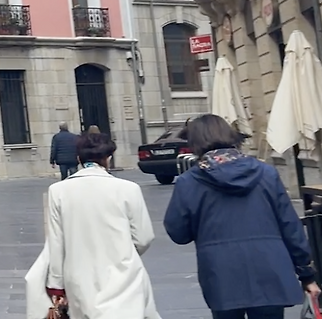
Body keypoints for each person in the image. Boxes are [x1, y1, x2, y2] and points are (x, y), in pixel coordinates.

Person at [163, 114, 320, 319]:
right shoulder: (266, 173)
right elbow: (290, 226)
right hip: (269, 268)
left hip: (221, 274)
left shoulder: (189, 182)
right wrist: (306, 274)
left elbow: (178, 233)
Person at [46, 132, 159, 319]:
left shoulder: (58, 191)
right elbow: (143, 238)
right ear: (108, 158)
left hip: (80, 278)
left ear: (78, 158)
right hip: (125, 276)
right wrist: (123, 252)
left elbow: (56, 243)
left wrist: (56, 285)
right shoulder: (129, 189)